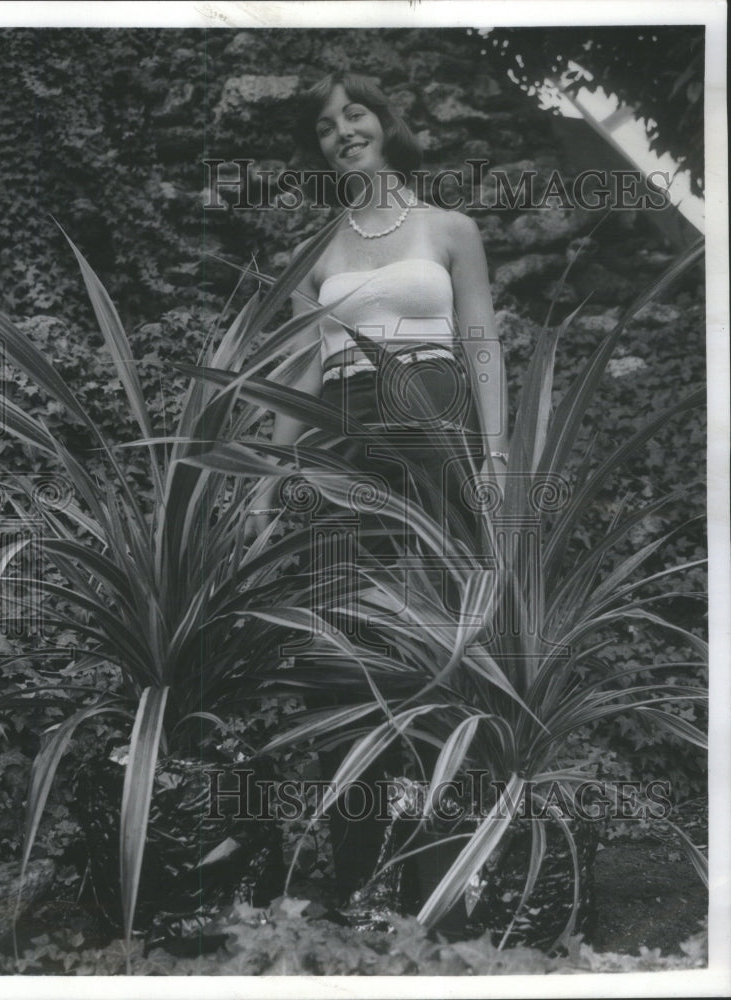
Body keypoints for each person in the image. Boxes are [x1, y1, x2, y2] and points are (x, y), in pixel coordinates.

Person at [248, 71, 509, 904]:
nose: (342, 130)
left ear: (387, 123)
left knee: (439, 639)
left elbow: (482, 346)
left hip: (434, 443)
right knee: (340, 642)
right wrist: (266, 480)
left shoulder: (450, 229)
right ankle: (356, 878)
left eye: (354, 112)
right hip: (341, 452)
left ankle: (440, 878)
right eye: (325, 125)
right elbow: (299, 369)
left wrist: (495, 456)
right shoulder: (316, 250)